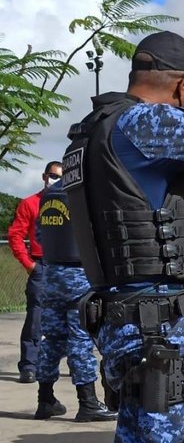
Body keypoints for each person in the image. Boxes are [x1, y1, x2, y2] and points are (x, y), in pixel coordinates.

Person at [62, 30, 184, 443]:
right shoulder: (143, 121)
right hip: (153, 319)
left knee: (136, 430)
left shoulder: (91, 134)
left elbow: (130, 204)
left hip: (119, 309)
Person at [33, 179, 117, 422]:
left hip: (51, 274)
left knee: (52, 339)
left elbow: (39, 234)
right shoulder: (82, 191)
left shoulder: (50, 195)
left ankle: (45, 399)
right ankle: (87, 402)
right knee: (80, 339)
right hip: (79, 275)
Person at [8, 161, 62, 383]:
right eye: (52, 175)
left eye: (60, 176)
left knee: (74, 320)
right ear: (44, 176)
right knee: (35, 319)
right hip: (41, 266)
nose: (56, 180)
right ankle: (29, 366)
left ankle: (73, 365)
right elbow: (15, 236)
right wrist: (29, 264)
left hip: (67, 268)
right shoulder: (30, 204)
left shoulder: (73, 203)